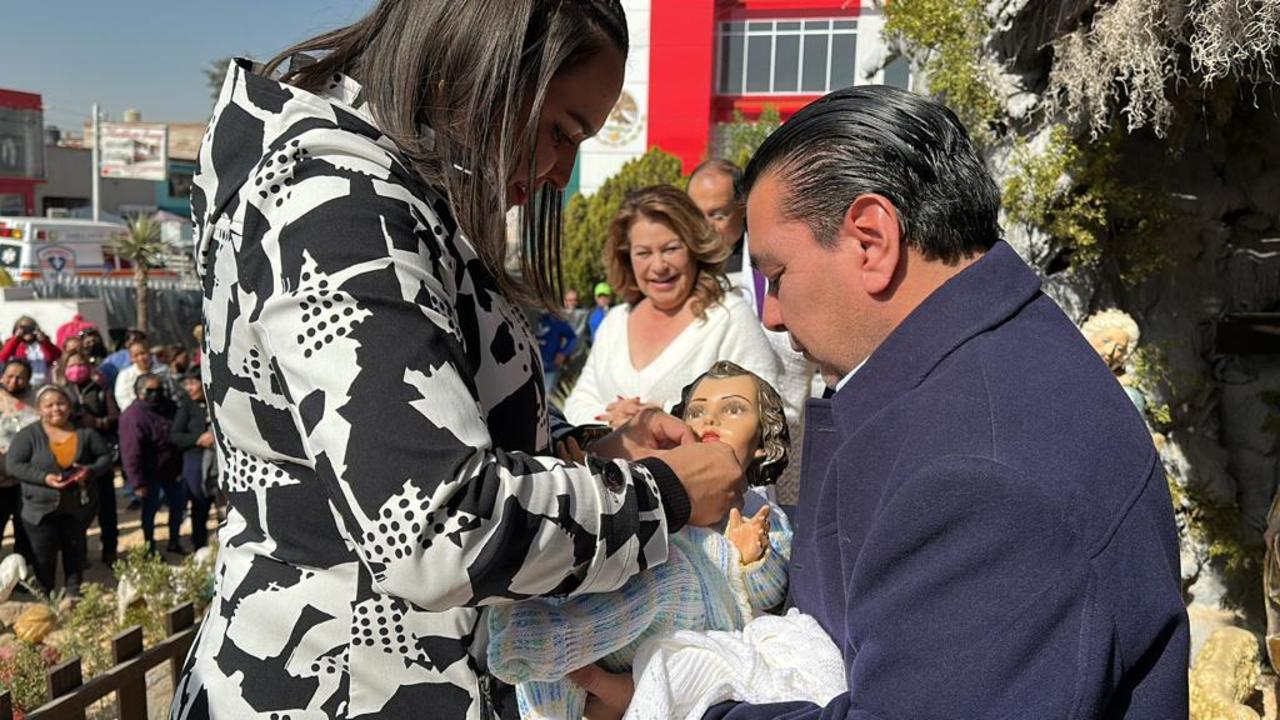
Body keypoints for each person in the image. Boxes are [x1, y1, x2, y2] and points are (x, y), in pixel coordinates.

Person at [171, 3, 744, 718]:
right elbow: (434, 529)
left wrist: (583, 452)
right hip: (339, 688)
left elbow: (419, 432)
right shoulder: (338, 200)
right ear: (481, 64)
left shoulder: (377, 184)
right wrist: (664, 496)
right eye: (560, 131)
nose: (560, 172)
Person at [574, 85, 1187, 718]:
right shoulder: (984, 365)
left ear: (871, 240)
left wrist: (675, 703)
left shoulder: (982, 475)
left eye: (776, 276)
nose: (773, 315)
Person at [488, 361, 796, 719]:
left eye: (733, 409)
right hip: (616, 626)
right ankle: (542, 679)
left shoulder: (760, 511)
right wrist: (590, 477)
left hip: (706, 612)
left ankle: (548, 640)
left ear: (763, 443)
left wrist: (753, 557)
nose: (711, 419)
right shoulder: (666, 480)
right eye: (697, 412)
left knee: (666, 573)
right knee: (589, 580)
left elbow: (771, 594)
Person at [563, 185, 780, 427]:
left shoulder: (729, 318)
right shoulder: (614, 322)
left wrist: (665, 418)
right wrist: (611, 420)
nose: (659, 266)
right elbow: (577, 404)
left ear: (695, 248)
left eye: (671, 249)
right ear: (626, 257)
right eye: (643, 253)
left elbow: (767, 412)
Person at [687, 160, 818, 508]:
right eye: (696, 214)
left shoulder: (772, 256)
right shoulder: (682, 271)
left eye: (717, 215)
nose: (706, 226)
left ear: (742, 209)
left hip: (780, 427)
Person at [6, 385, 112, 597]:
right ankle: (46, 594)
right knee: (43, 556)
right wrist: (43, 478)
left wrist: (89, 471)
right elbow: (14, 464)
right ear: (39, 409)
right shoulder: (28, 435)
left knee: (75, 551)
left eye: (61, 403)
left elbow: (105, 458)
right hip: (39, 509)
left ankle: (74, 593)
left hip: (76, 507)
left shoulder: (85, 433)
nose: (56, 409)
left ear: (70, 407)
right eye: (49, 405)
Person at [60, 349, 121, 565]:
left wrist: (96, 422)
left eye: (80, 364)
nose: (76, 369)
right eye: (71, 365)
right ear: (64, 368)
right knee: (76, 510)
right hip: (71, 456)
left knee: (106, 507)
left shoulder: (101, 390)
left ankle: (110, 550)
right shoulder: (61, 393)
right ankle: (80, 554)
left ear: (88, 366)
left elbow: (115, 417)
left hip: (98, 456)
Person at [118, 374, 184, 556]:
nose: (156, 394)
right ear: (139, 392)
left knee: (178, 507)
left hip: (171, 470)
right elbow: (130, 453)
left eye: (159, 389)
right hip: (148, 474)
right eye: (150, 390)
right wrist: (137, 483)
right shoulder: (133, 416)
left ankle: (174, 542)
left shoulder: (168, 407)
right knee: (150, 512)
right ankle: (150, 548)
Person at [170, 368, 216, 550]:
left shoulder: (217, 400)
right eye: (186, 384)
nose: (189, 388)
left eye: (193, 383)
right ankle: (199, 545)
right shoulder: (187, 405)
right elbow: (175, 436)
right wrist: (198, 439)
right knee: (199, 503)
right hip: (195, 458)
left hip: (219, 460)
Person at [0, 360, 39, 567]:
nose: (14, 381)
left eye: (20, 377)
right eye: (10, 376)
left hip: (26, 479)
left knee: (25, 531)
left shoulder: (36, 401)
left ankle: (22, 575)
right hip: (0, 479)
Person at [114, 340, 173, 414]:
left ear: (149, 352)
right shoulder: (125, 376)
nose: (141, 358)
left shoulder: (164, 369)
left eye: (143, 353)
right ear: (131, 359)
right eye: (136, 355)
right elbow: (122, 399)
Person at [0, 317, 61, 387]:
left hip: (43, 383)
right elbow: (2, 358)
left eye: (30, 327)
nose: (27, 331)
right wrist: (16, 338)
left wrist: (45, 342)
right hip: (22, 384)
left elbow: (57, 356)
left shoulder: (43, 344)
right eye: (23, 328)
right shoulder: (13, 344)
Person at [537, 309, 578, 394]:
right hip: (529, 368)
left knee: (545, 396)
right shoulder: (526, 315)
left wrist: (563, 353)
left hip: (549, 367)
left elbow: (572, 338)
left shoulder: (555, 320)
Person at [100, 328, 146, 393]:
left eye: (140, 340)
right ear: (126, 343)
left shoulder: (151, 357)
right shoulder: (114, 358)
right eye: (135, 340)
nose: (137, 344)